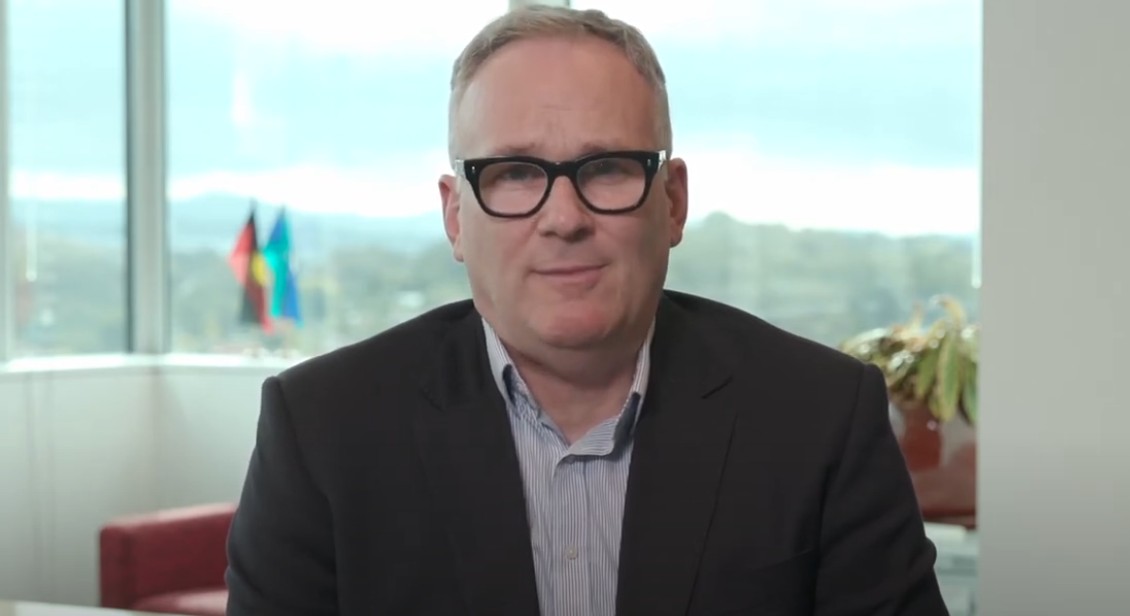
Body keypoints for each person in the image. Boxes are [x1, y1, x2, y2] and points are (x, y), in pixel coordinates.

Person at [224, 5, 950, 616]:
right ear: (454, 216)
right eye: (513, 174)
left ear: (672, 202)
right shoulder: (322, 429)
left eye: (606, 168)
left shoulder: (820, 416)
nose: (563, 218)